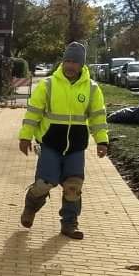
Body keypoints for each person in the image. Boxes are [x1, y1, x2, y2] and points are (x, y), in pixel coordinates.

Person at [18, 42, 109, 239]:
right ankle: (31, 207)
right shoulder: (48, 85)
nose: (70, 65)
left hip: (76, 147)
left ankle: (69, 224)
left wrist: (102, 141)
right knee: (43, 184)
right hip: (50, 144)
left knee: (73, 187)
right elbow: (33, 112)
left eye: (74, 62)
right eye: (67, 60)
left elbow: (98, 117)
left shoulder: (92, 89)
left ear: (81, 65)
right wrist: (25, 136)